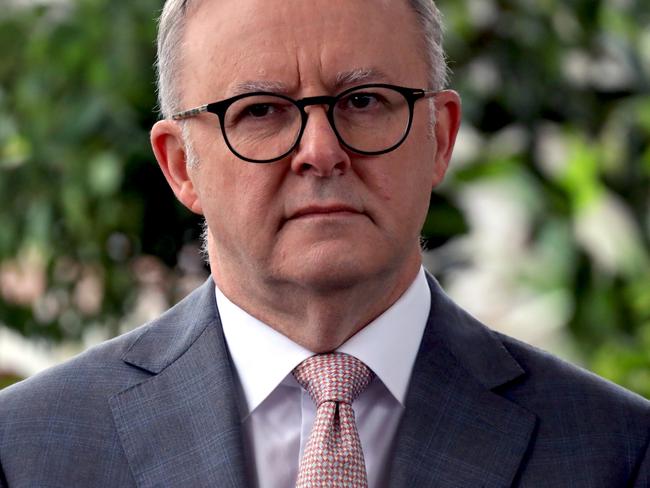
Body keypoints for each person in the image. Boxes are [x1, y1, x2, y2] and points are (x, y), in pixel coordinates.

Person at [1, 0, 648, 486]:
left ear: (440, 138)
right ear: (180, 166)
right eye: (259, 110)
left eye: (363, 100)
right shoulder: (26, 450)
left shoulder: (617, 450)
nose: (321, 151)